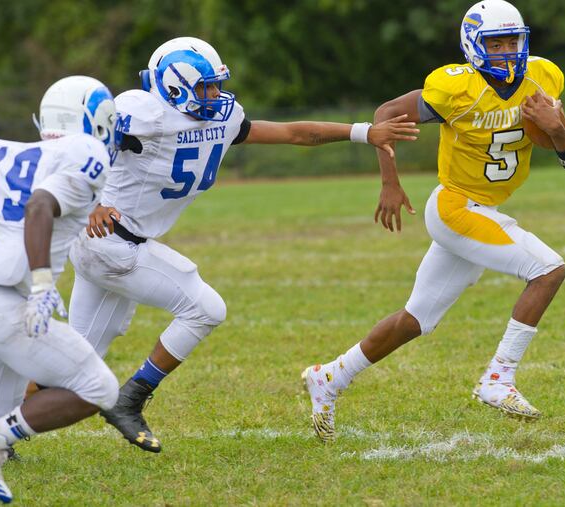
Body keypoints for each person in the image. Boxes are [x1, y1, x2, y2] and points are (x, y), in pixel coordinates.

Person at [67, 36, 419, 453]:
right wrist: (91, 201)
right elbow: (73, 146)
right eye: (205, 88)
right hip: (111, 243)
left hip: (111, 244)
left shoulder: (220, 118)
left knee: (72, 362)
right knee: (205, 308)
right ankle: (130, 399)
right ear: (174, 88)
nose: (216, 95)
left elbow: (292, 133)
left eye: (217, 85)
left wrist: (364, 132)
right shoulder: (141, 114)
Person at [302, 0, 565, 442]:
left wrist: (556, 127)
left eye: (514, 41)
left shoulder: (542, 77)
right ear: (473, 45)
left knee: (416, 320)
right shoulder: (455, 88)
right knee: (548, 270)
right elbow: (383, 115)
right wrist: (390, 182)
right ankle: (499, 378)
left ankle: (330, 376)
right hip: (455, 207)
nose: (508, 51)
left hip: (482, 209)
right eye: (496, 43)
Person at [0, 76, 120, 503]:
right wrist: (42, 281)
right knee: (99, 388)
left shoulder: (20, 155)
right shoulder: (87, 153)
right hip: (11, 301)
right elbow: (38, 206)